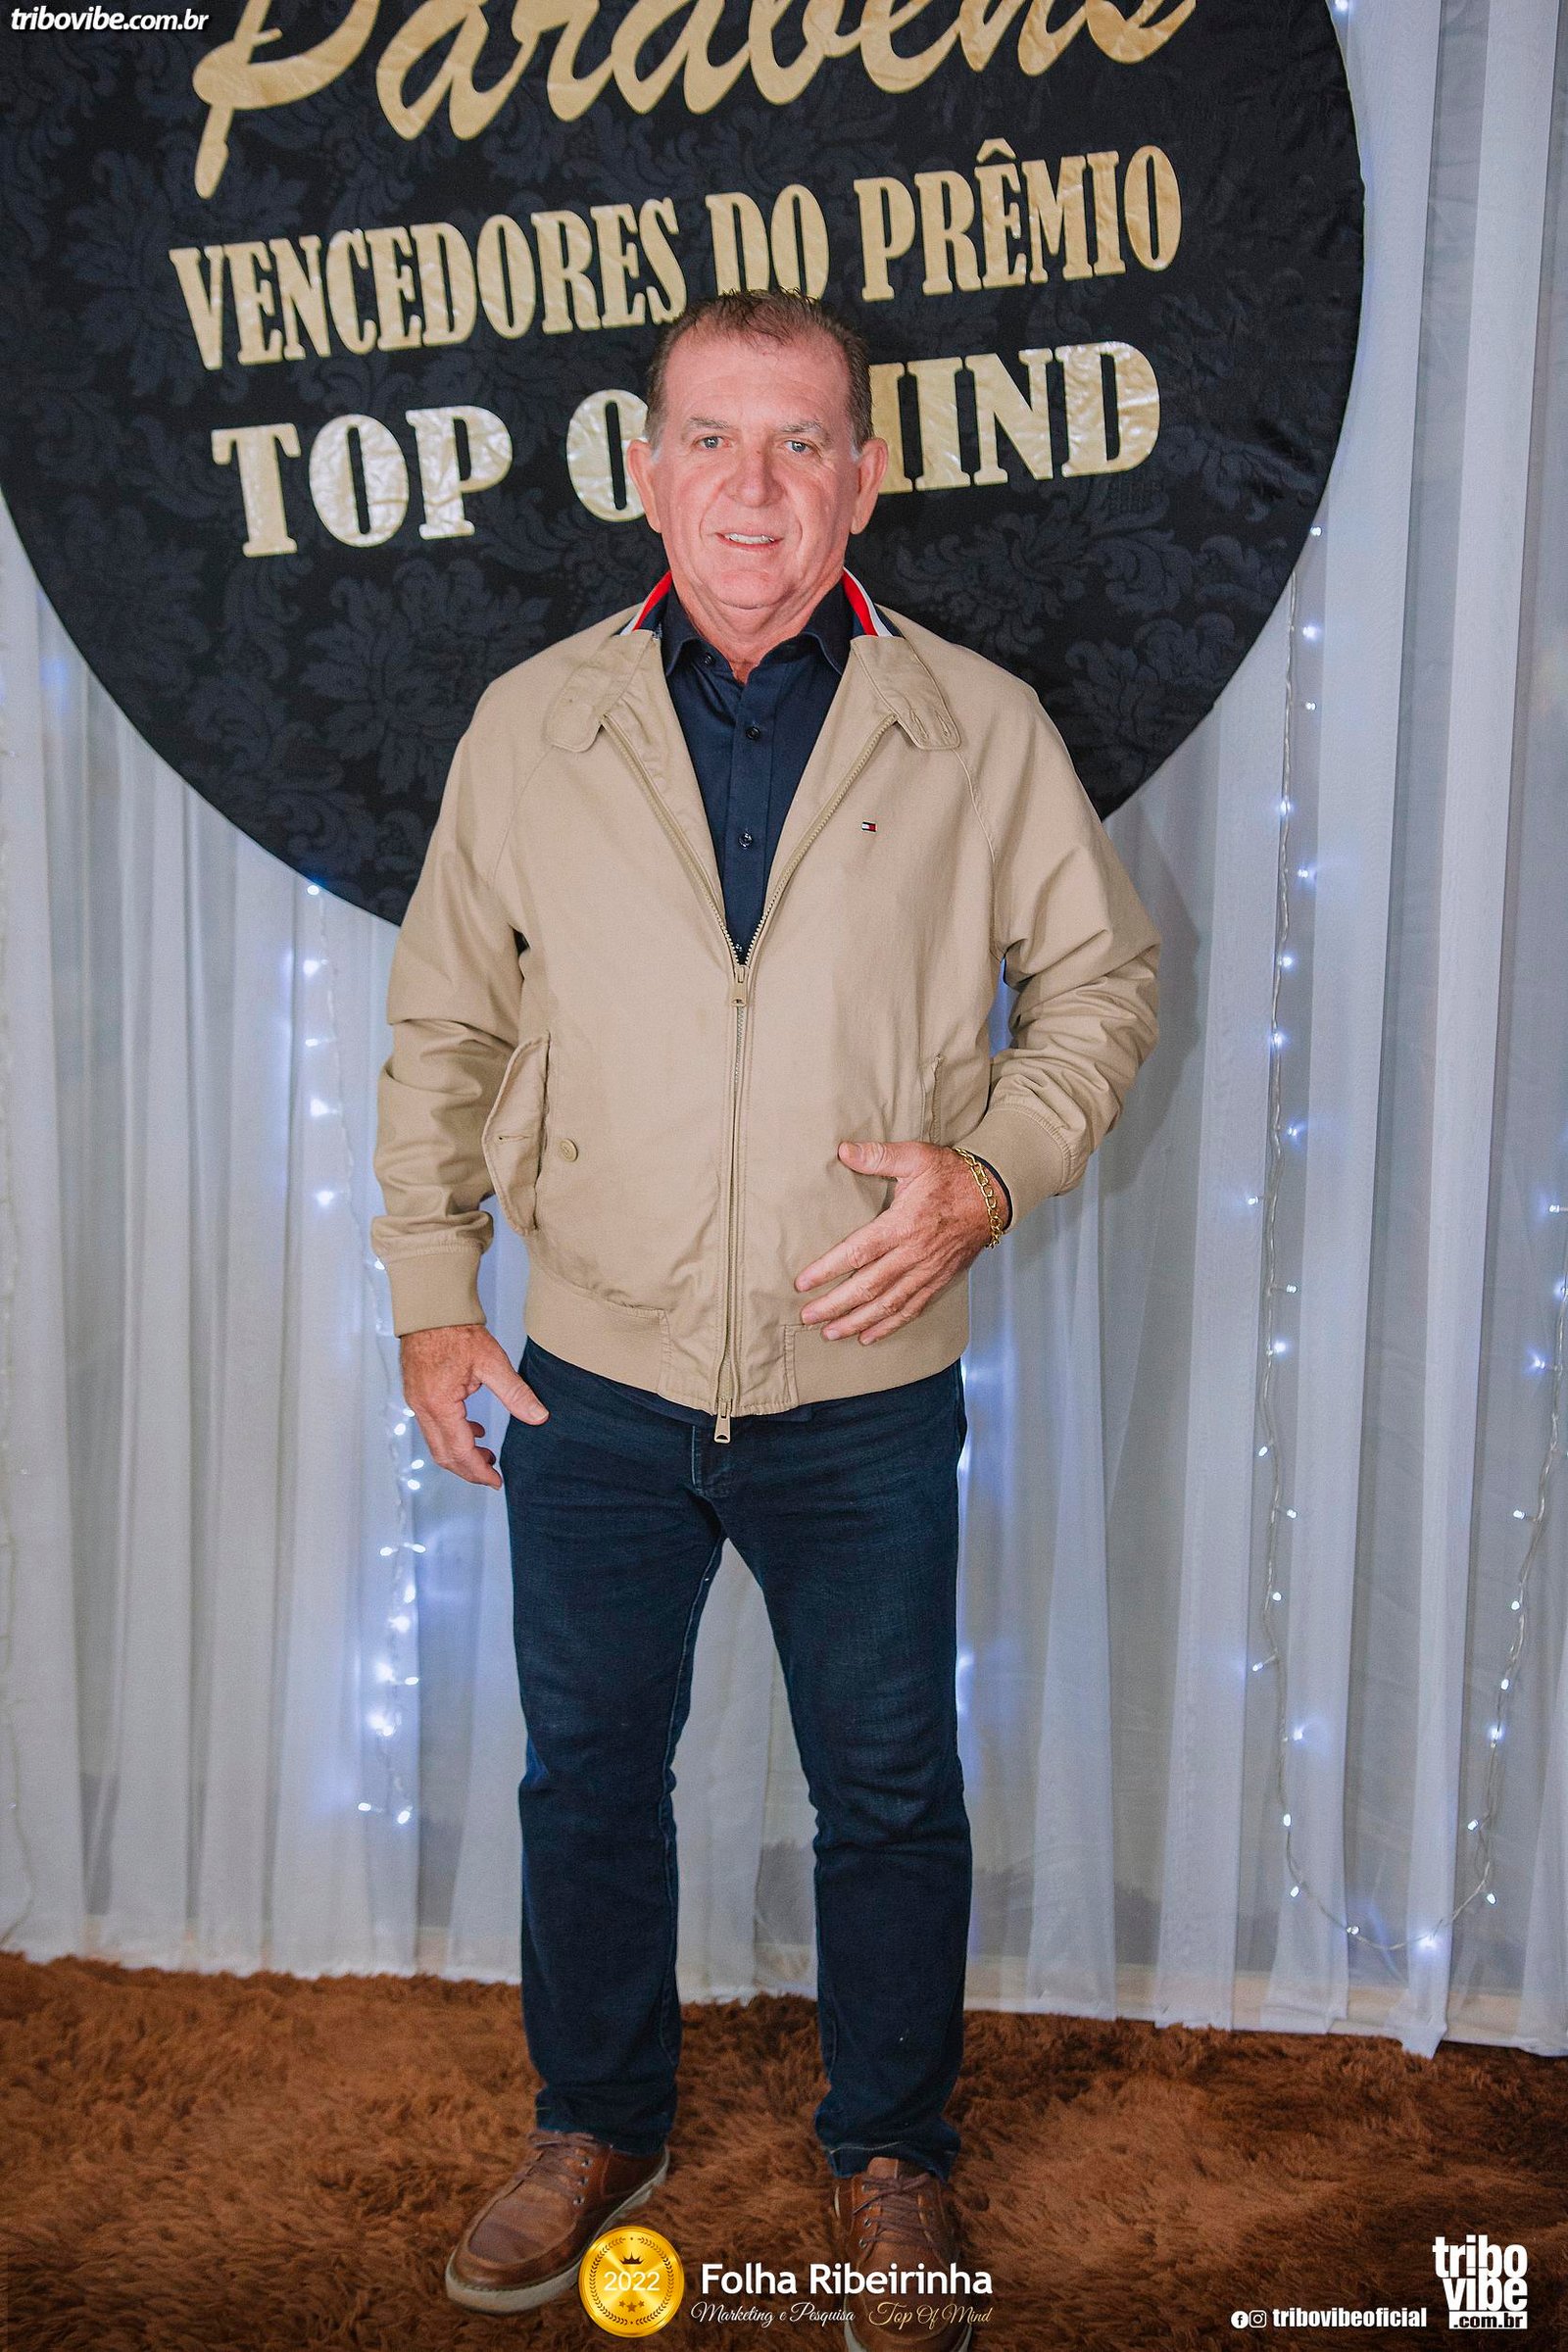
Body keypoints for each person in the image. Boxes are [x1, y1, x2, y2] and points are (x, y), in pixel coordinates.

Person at [371, 288, 1160, 2352]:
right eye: (710, 440)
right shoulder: (531, 726)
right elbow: (445, 1025)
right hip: (595, 1374)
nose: (752, 486)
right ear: (645, 474)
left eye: (799, 442)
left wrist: (989, 1173)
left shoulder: (975, 726)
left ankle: (891, 2152)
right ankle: (592, 2121)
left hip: (861, 1388)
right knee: (584, 1776)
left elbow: (1099, 989)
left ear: (862, 478)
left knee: (887, 1788)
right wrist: (435, 1297)